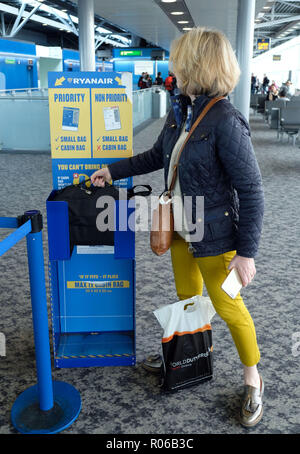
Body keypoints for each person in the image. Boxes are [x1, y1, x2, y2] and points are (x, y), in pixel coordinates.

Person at [91, 27, 265, 428]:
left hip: (217, 234)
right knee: (189, 298)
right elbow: (157, 155)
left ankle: (253, 378)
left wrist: (247, 252)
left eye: (179, 64)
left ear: (197, 66)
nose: (174, 71)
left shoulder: (225, 120)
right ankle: (188, 354)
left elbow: (252, 190)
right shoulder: (181, 110)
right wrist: (112, 170)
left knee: (228, 308)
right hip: (182, 230)